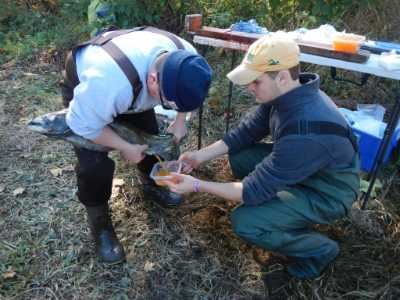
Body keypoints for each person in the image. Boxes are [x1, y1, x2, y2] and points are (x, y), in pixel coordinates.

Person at [165, 34, 360, 297]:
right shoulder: (288, 94)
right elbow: (245, 133)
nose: (250, 88)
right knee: (241, 154)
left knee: (245, 221)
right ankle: (281, 209)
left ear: (281, 76)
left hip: (329, 191)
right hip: (308, 168)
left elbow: (251, 191)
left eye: (255, 81)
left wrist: (197, 185)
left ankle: (318, 249)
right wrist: (199, 156)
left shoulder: (305, 130)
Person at [59, 28, 212, 264]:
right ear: (153, 80)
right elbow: (83, 126)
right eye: (169, 104)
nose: (171, 108)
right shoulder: (107, 82)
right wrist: (123, 146)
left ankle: (151, 183)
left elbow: (186, 96)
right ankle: (100, 224)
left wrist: (180, 121)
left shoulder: (188, 60)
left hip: (131, 86)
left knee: (151, 139)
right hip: (89, 82)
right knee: (94, 165)